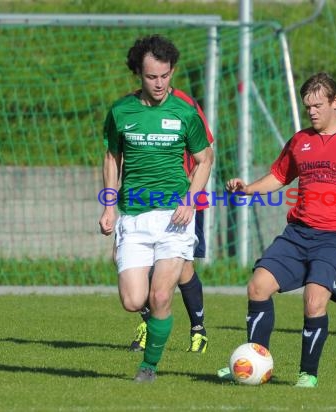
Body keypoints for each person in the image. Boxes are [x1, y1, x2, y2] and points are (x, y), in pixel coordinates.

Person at [218, 73, 336, 387]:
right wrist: (247, 189)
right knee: (258, 286)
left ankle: (307, 373)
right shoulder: (300, 141)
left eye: (317, 105)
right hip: (298, 233)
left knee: (314, 301)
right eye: (307, 107)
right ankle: (254, 359)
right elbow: (278, 176)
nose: (312, 112)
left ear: (334, 102)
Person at [99, 34, 213, 383]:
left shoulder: (184, 111)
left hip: (174, 219)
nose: (160, 83)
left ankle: (149, 367)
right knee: (134, 300)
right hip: (133, 217)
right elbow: (110, 157)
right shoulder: (121, 112)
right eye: (152, 77)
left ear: (172, 71)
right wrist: (108, 205)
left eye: (165, 75)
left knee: (161, 293)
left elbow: (205, 157)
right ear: (139, 74)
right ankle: (156, 326)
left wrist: (190, 199)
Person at [128, 87, 214, 355]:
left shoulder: (184, 104)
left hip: (180, 199)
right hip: (140, 201)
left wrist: (189, 193)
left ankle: (198, 330)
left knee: (183, 268)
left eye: (162, 74)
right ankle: (149, 322)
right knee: (134, 264)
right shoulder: (130, 105)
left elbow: (205, 150)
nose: (156, 81)